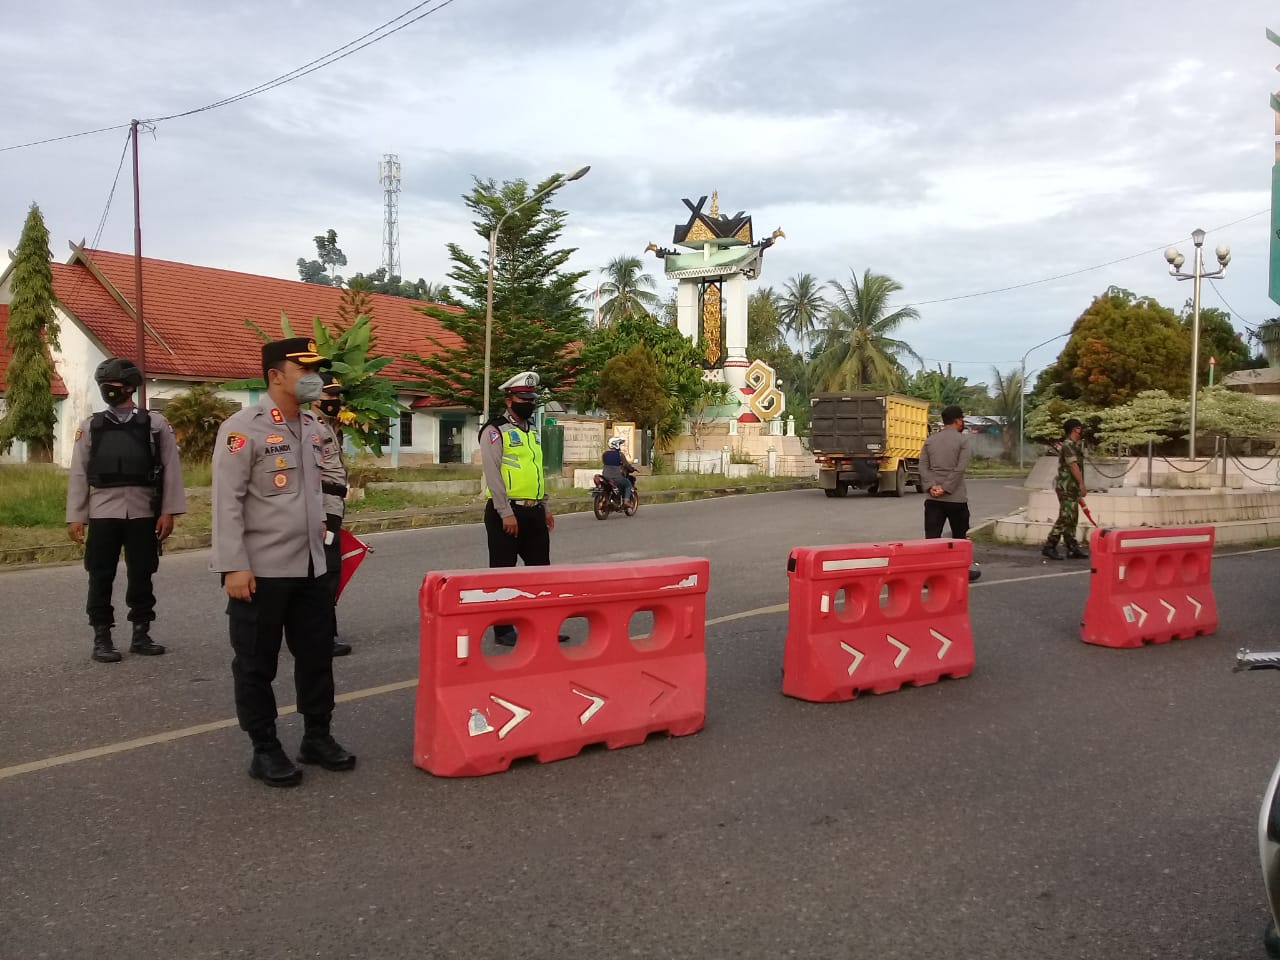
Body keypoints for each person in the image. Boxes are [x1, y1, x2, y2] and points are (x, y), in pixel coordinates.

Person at [212, 337, 355, 788]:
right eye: (305, 371)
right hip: (262, 570)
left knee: (316, 658)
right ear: (276, 376)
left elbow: (329, 489)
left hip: (313, 566)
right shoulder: (243, 429)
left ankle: (317, 736)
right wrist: (233, 565)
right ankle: (265, 748)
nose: (315, 380)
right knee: (256, 663)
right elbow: (227, 502)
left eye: (317, 371)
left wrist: (329, 547)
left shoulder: (316, 428)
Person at [66, 357, 186, 663]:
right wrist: (76, 516)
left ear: (131, 388)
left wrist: (168, 511)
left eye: (115, 386)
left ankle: (141, 633)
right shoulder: (91, 426)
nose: (109, 391)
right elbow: (79, 472)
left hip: (143, 510)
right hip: (103, 511)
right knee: (100, 574)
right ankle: (101, 637)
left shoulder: (154, 423)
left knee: (142, 573)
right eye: (104, 386)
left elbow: (171, 469)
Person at [479, 371, 562, 646]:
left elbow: (537, 472)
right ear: (509, 399)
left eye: (531, 398)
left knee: (540, 573)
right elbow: (493, 474)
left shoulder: (532, 431)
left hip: (534, 510)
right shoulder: (494, 430)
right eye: (522, 397)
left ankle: (541, 627)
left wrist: (545, 505)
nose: (528, 402)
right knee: (504, 572)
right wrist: (505, 512)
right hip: (507, 512)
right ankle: (503, 630)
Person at [918, 404, 981, 583]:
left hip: (933, 498)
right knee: (959, 537)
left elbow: (923, 466)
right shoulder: (963, 441)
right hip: (956, 498)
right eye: (962, 420)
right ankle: (960, 573)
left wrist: (932, 486)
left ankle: (930, 576)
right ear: (958, 421)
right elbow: (960, 468)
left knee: (932, 538)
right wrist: (946, 488)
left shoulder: (930, 440)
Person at [315, 373, 353, 657]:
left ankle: (324, 631)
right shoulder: (313, 428)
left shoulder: (328, 426)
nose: (335, 401)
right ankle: (321, 636)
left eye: (336, 396)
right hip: (323, 508)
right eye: (329, 396)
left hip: (332, 506)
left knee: (329, 571)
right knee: (325, 573)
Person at [1042, 417, 1089, 561]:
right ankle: (1050, 545)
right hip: (1066, 486)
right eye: (1080, 428)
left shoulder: (1075, 445)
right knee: (1065, 516)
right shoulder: (1068, 445)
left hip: (1071, 487)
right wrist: (1082, 484)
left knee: (1072, 518)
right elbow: (1073, 466)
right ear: (1075, 429)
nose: (1082, 431)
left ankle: (1072, 547)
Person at [601, 435, 636, 505]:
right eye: (619, 444)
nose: (620, 446)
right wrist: (632, 469)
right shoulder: (620, 454)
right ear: (616, 444)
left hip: (605, 477)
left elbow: (605, 463)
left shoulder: (604, 454)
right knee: (628, 485)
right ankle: (626, 501)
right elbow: (626, 465)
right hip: (616, 477)